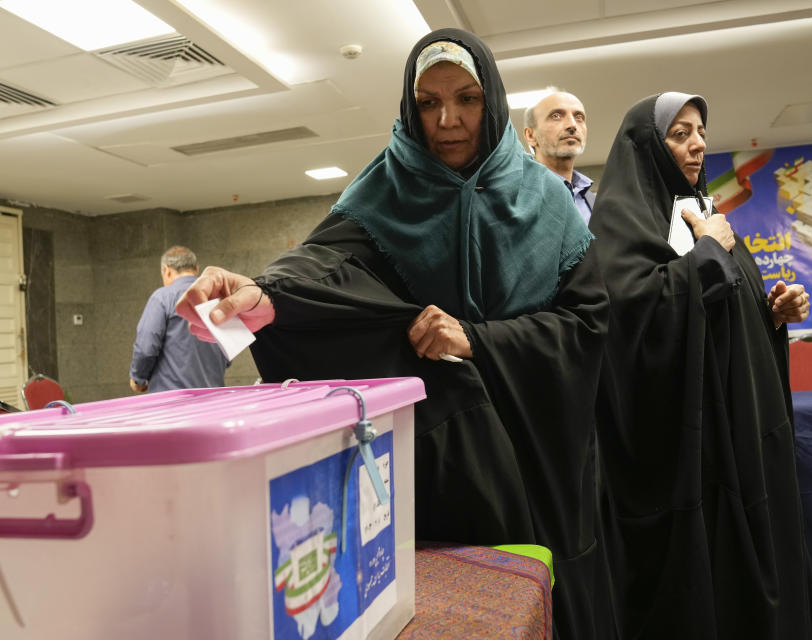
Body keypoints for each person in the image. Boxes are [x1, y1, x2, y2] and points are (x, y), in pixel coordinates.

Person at [176, 29, 616, 639]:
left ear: (491, 100)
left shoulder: (546, 199)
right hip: (441, 459)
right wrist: (263, 293)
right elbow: (324, 267)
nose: (448, 120)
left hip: (539, 443)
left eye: (466, 99)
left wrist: (477, 340)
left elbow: (588, 323)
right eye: (428, 103)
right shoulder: (385, 189)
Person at [589, 92, 812, 639]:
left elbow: (727, 306)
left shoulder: (708, 216)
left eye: (700, 132)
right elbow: (632, 321)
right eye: (680, 133)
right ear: (646, 145)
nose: (698, 145)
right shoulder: (620, 225)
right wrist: (709, 257)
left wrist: (773, 312)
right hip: (682, 448)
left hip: (739, 429)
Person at [129, 246, 228, 393]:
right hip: (214, 400)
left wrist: (138, 379)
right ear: (197, 268)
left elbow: (146, 347)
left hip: (173, 403)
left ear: (167, 270)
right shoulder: (215, 297)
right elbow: (228, 351)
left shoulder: (163, 297)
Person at [523, 91, 594, 223]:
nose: (572, 125)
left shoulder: (596, 203)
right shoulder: (514, 197)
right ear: (530, 135)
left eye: (579, 117)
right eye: (556, 116)